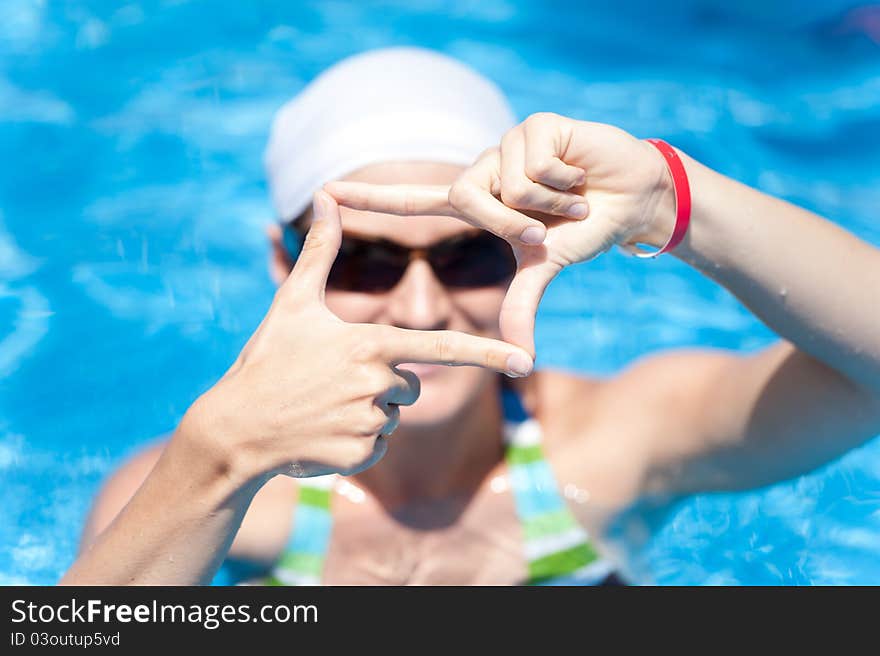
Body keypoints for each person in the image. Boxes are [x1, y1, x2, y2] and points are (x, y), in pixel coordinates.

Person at [61, 48, 880, 586]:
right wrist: (222, 456)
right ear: (285, 266)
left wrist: (670, 200)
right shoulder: (212, 490)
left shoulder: (615, 443)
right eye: (364, 261)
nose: (421, 308)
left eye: (470, 254)